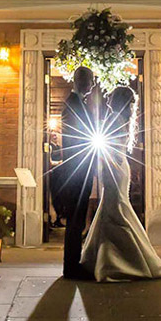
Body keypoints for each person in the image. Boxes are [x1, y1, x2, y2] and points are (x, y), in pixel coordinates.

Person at [81, 85, 161, 282]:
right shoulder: (121, 118)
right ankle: (112, 258)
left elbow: (105, 147)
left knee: (114, 209)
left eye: (111, 97)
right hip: (118, 166)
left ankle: (113, 261)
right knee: (114, 207)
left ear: (116, 100)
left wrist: (101, 165)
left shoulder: (113, 118)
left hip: (113, 168)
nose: (107, 100)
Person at [55, 66, 98, 279]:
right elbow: (75, 140)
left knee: (78, 219)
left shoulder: (78, 103)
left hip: (81, 169)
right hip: (77, 171)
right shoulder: (72, 104)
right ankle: (71, 267)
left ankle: (73, 264)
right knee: (76, 219)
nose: (92, 85)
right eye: (90, 80)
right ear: (80, 81)